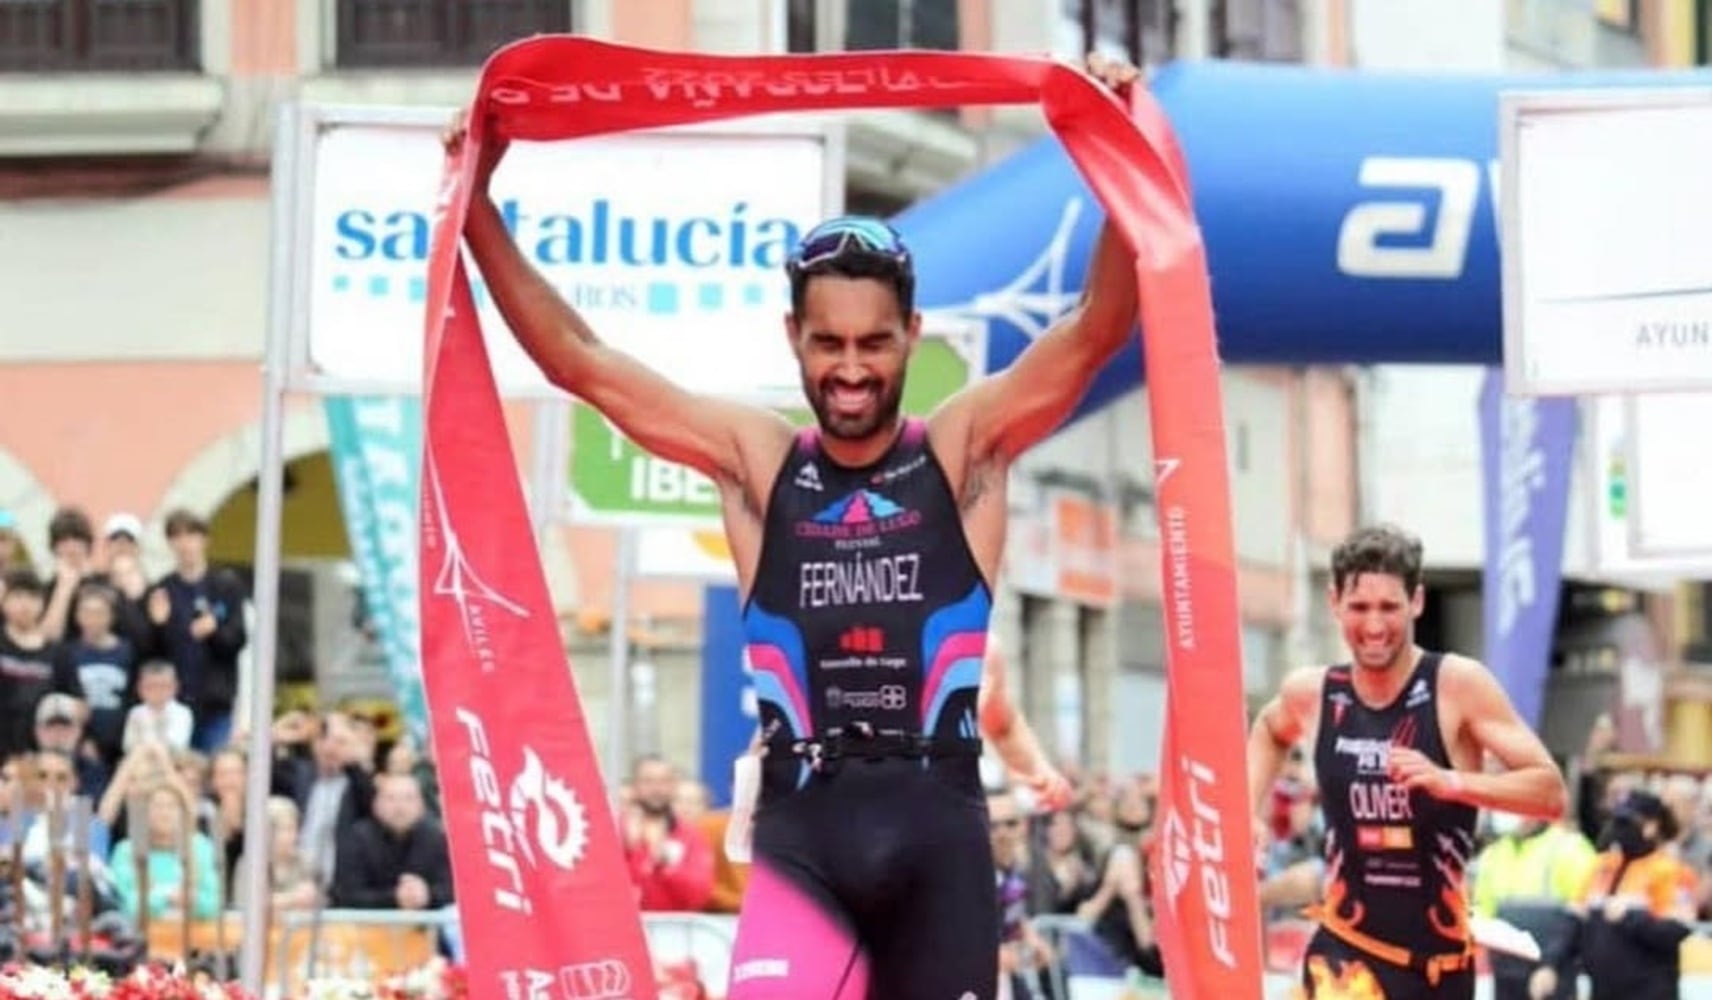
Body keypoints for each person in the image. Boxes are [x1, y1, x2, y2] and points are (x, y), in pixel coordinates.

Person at [448, 52, 1141, 1000]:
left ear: (911, 335)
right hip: (802, 832)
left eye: (872, 343)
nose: (850, 368)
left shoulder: (966, 450)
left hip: (936, 826)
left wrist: (1118, 147)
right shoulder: (761, 462)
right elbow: (583, 362)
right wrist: (475, 202)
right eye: (828, 344)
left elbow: (1100, 326)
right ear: (794, 339)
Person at [1247, 524, 1567, 1000]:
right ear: (1334, 602)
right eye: (1359, 607)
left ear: (1416, 602)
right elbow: (1270, 731)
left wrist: (1454, 782)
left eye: (1388, 607)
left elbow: (1550, 793)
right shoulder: (1313, 693)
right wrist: (1247, 810)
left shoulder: (1456, 685)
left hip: (1439, 969)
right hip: (1346, 952)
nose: (1374, 626)